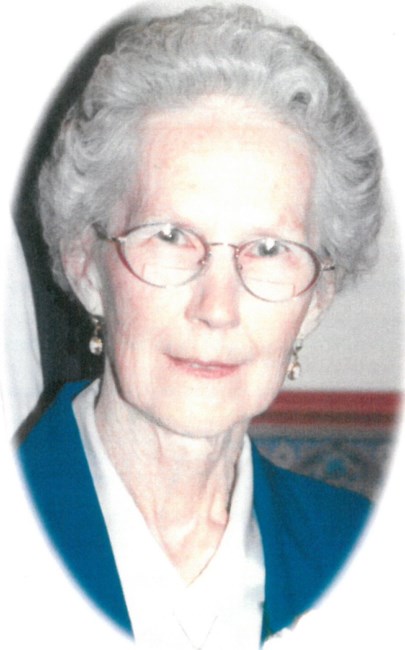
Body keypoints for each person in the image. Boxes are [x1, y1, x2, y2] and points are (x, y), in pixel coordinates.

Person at [17, 4, 382, 648]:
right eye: (170, 235)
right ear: (86, 268)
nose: (217, 307)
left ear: (315, 300)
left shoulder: (368, 557)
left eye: (268, 248)